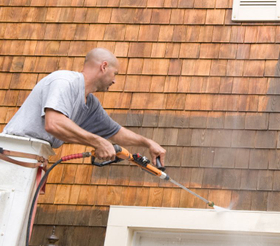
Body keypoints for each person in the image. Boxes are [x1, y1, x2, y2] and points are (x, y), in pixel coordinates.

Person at [3, 48, 166, 165]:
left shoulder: (90, 104)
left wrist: (148, 143)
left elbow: (116, 132)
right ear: (103, 67)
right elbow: (53, 123)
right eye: (114, 74)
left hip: (35, 156)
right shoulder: (64, 81)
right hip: (13, 151)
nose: (114, 81)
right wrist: (98, 142)